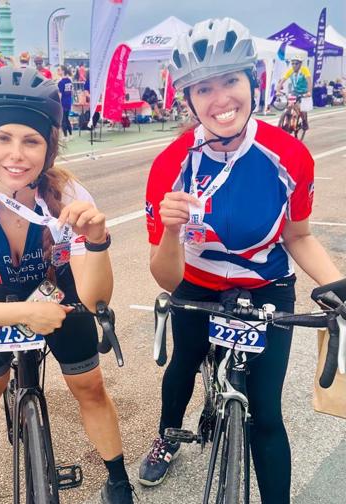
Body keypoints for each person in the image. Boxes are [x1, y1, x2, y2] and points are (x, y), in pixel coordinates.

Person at [139, 18, 342, 504]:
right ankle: (168, 435)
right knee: (183, 361)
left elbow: (298, 235)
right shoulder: (171, 164)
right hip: (196, 281)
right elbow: (166, 277)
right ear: (187, 99)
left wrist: (338, 283)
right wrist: (169, 230)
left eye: (230, 81)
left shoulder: (288, 156)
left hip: (267, 285)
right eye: (203, 88)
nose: (220, 99)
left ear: (253, 82)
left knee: (266, 416)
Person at [0, 67, 135, 504]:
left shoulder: (72, 196)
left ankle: (118, 477)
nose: (16, 155)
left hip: (59, 293)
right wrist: (20, 314)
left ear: (48, 148)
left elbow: (95, 299)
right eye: (3, 138)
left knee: (90, 387)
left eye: (31, 141)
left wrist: (97, 243)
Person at [276, 55, 312, 130]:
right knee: (289, 105)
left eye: (296, 63)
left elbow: (309, 82)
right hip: (295, 92)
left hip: (304, 92)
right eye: (292, 63)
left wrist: (309, 92)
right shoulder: (290, 71)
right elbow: (281, 81)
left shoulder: (304, 70)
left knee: (302, 109)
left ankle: (305, 121)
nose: (294, 65)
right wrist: (278, 91)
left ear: (300, 64)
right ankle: (287, 123)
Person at [58, 66, 74, 141]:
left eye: (59, 70)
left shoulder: (61, 82)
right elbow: (72, 92)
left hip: (63, 102)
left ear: (63, 71)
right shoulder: (69, 80)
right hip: (68, 101)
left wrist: (58, 103)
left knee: (63, 119)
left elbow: (60, 94)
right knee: (66, 119)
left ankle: (65, 136)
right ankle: (70, 135)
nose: (58, 71)